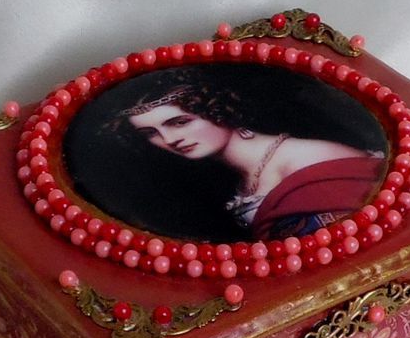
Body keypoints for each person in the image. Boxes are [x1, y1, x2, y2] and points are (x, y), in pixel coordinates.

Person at [116, 68, 385, 239]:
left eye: (179, 122)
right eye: (150, 133)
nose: (169, 140)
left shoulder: (305, 159)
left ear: (216, 108)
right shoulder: (235, 178)